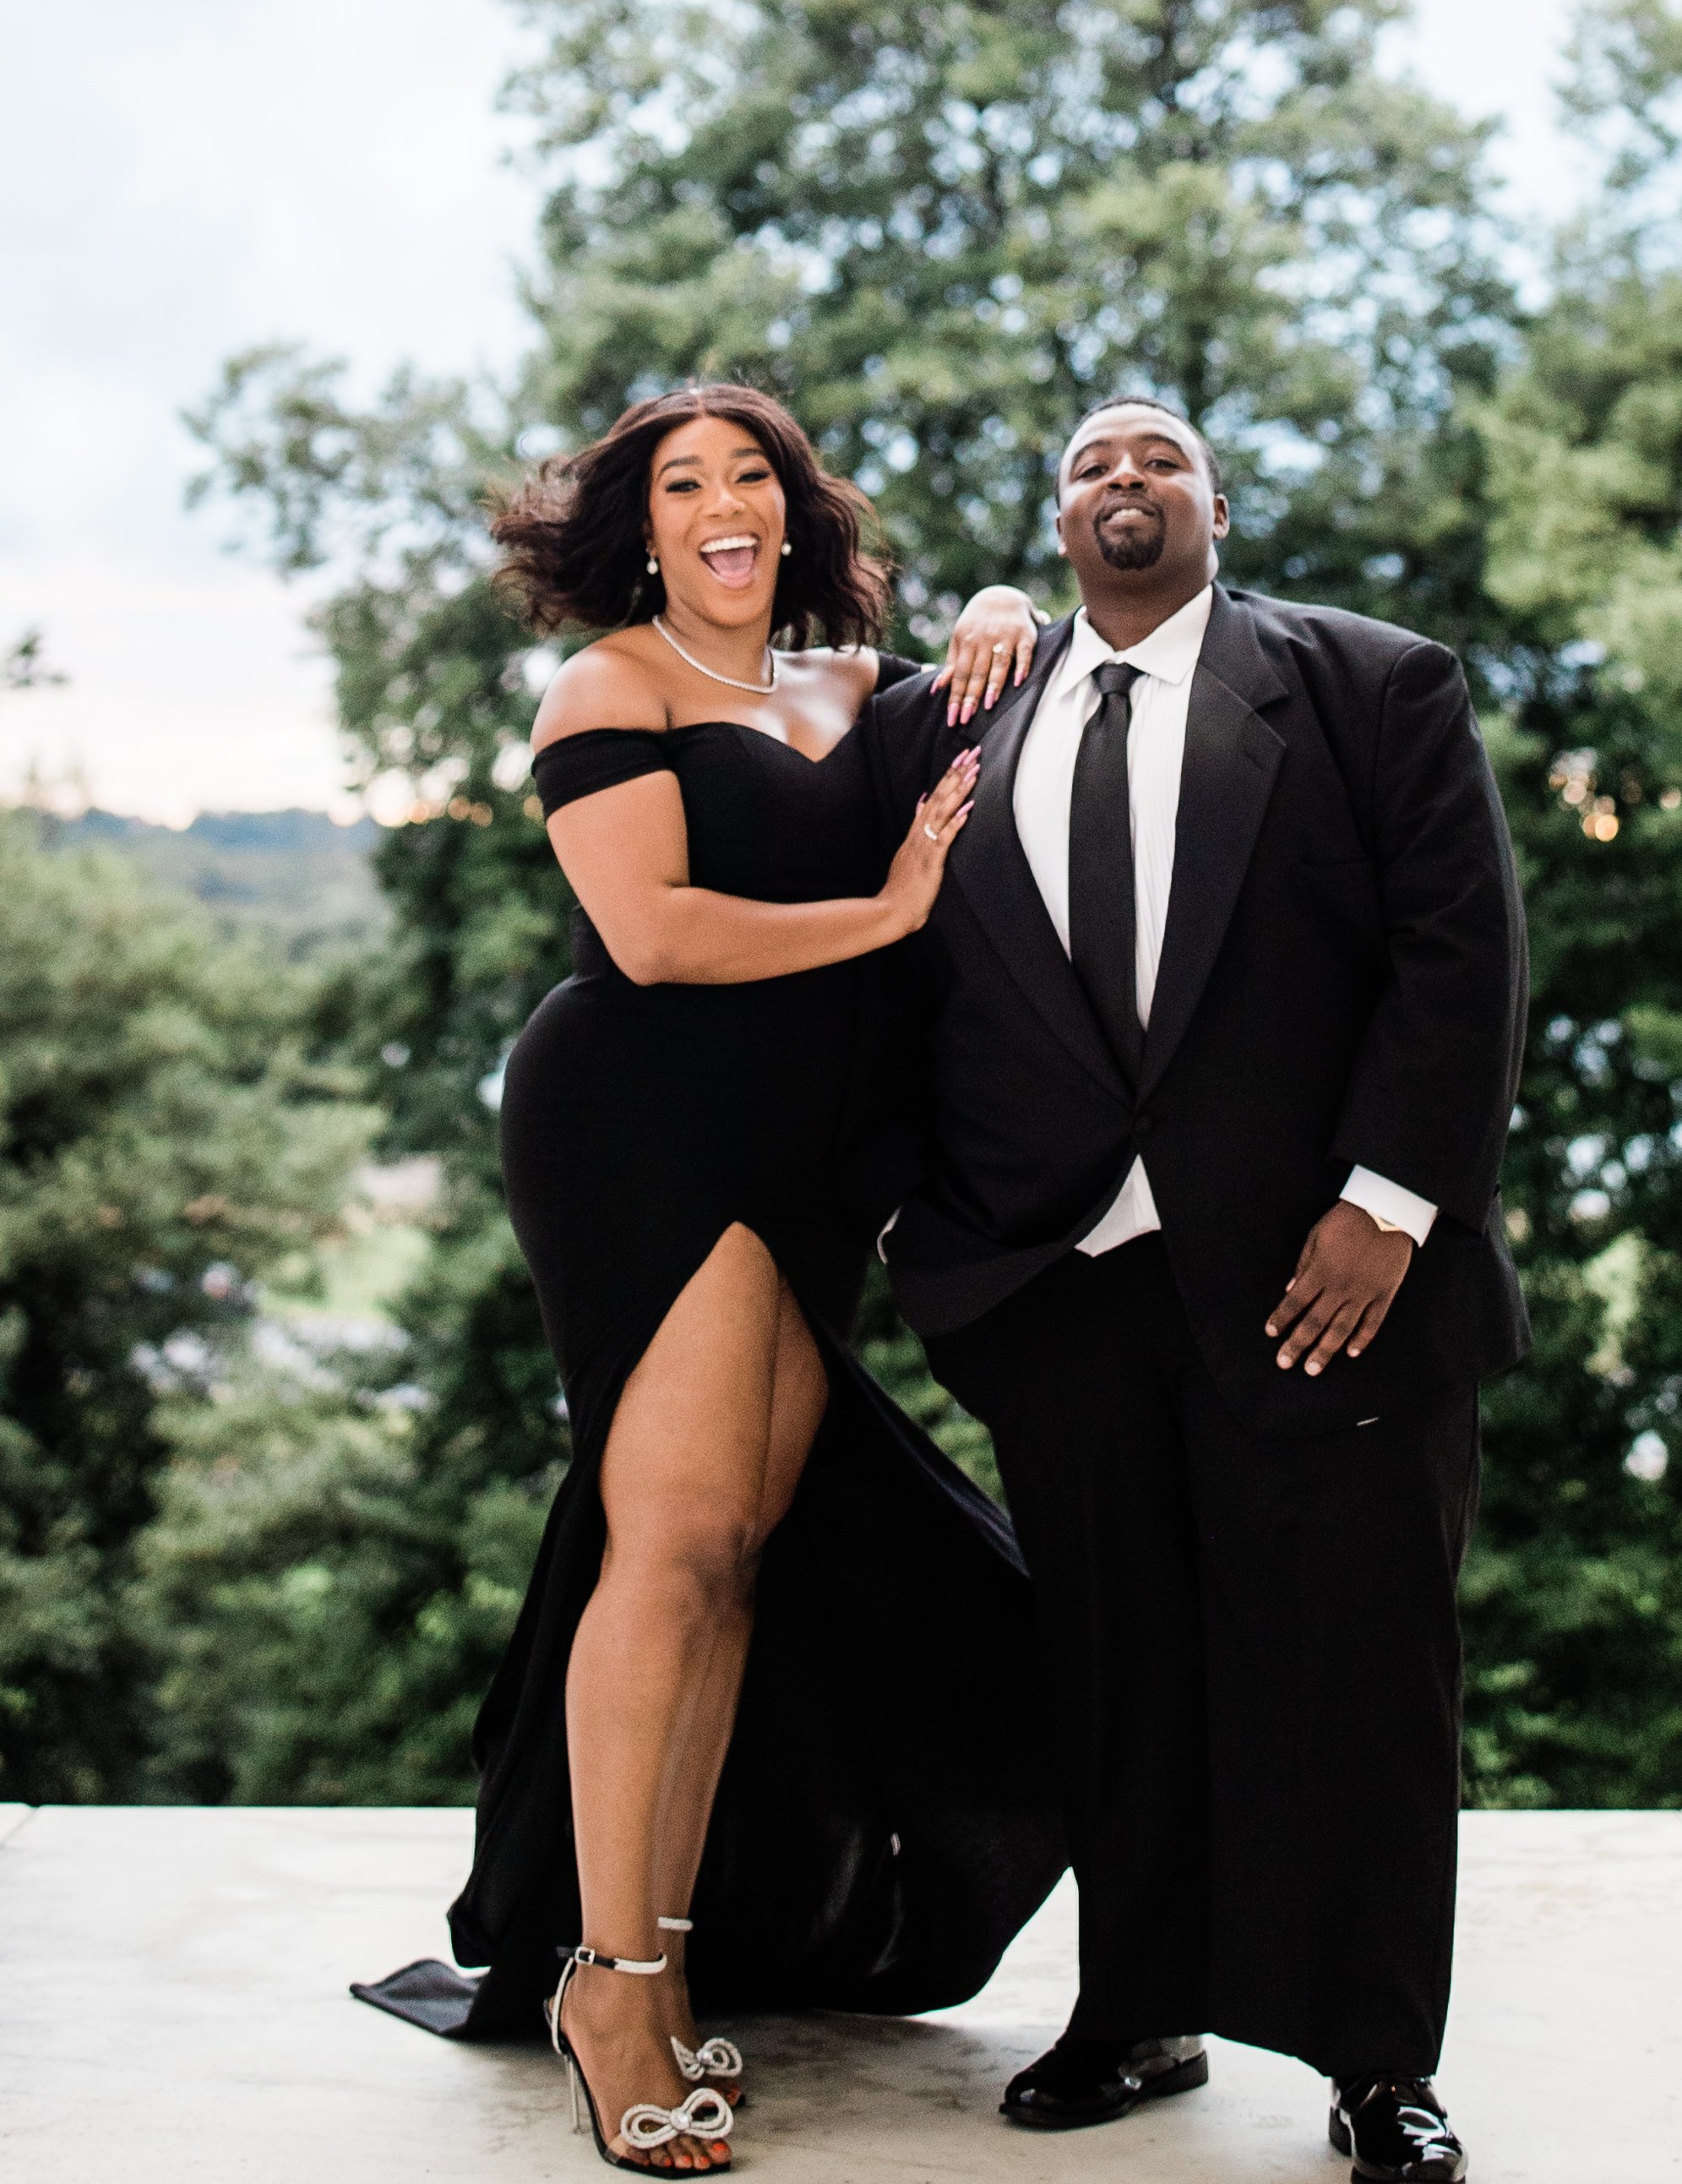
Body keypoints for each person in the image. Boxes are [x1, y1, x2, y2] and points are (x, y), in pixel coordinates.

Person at [353, 383, 1065, 2176]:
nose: (724, 505)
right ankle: (610, 1990)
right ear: (646, 530)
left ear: (791, 515)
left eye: (753, 476)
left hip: (810, 1168)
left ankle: (659, 1959)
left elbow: (988, 711)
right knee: (671, 1548)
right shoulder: (613, 687)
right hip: (648, 1135)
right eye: (686, 485)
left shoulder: (831, 689)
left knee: (735, 1557)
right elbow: (655, 934)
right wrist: (885, 915)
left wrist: (1004, 615)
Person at [865, 398, 1530, 2183]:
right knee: (1118, 1670)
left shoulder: (1372, 687)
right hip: (1063, 1289)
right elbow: (884, 968)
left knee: (1362, 1672)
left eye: (1160, 458)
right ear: (1058, 519)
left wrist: (1389, 1204)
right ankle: (1137, 2010)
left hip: (1328, 1281)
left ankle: (1378, 2058)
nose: (1126, 481)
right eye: (1090, 464)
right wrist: (934, 1245)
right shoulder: (966, 718)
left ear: (1217, 508)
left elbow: (1461, 955)